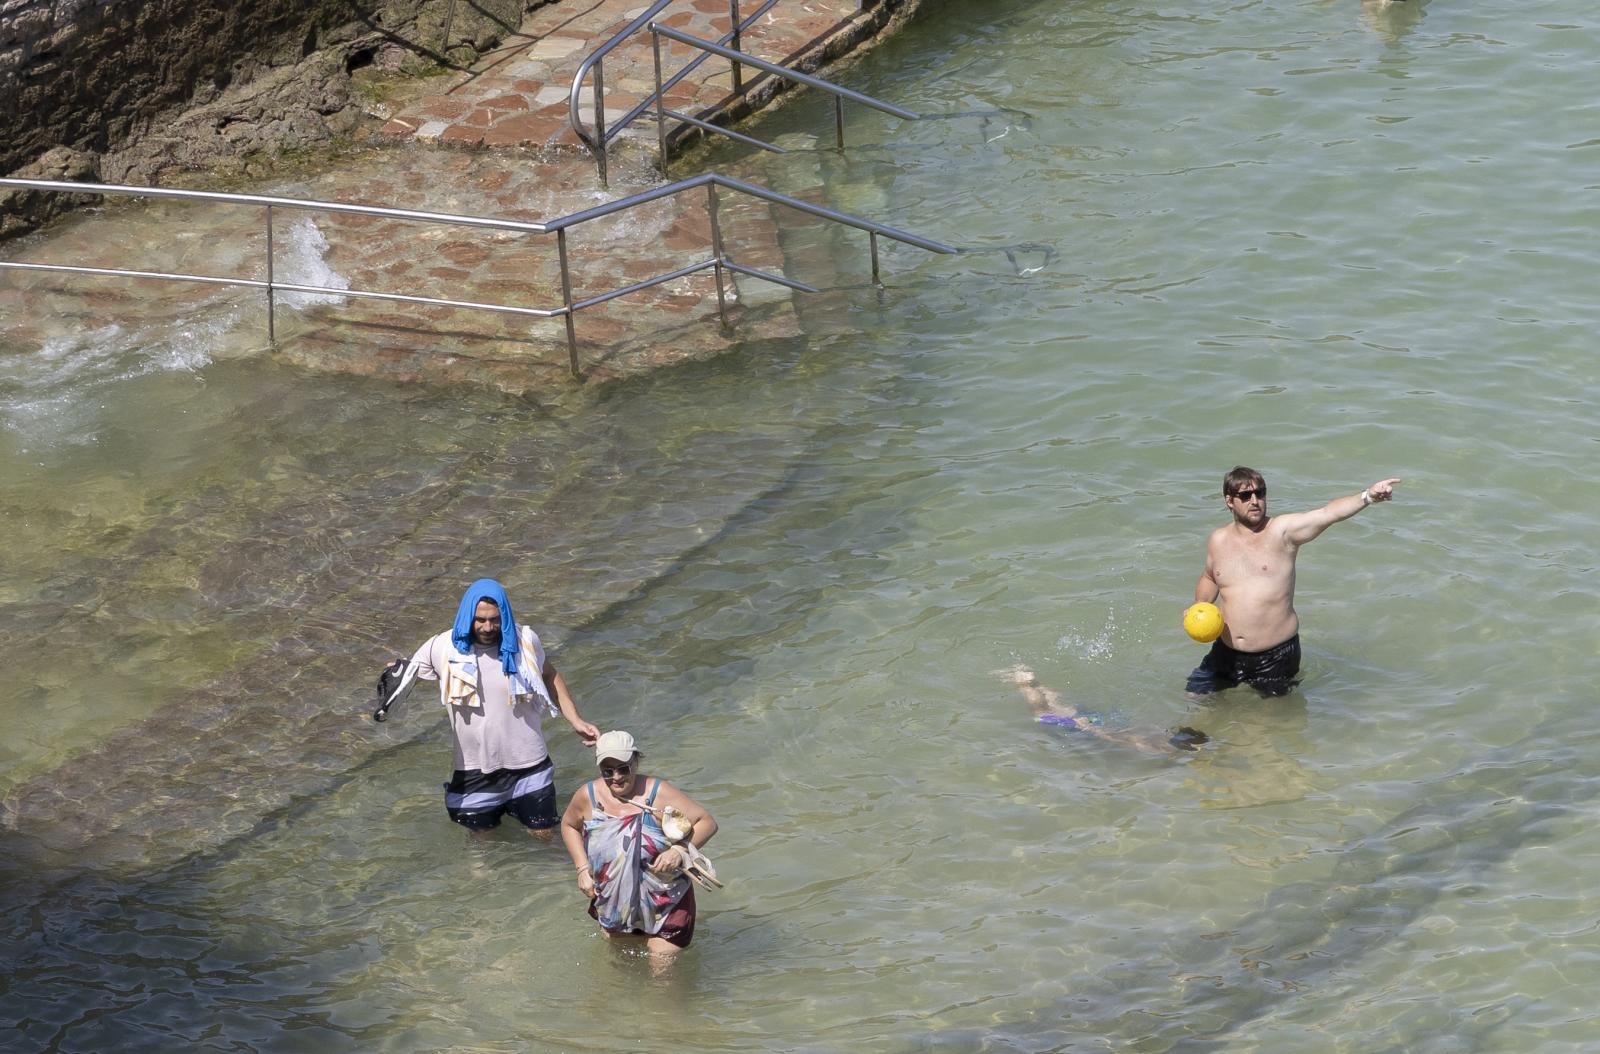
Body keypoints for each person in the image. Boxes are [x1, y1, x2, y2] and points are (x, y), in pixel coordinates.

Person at [400, 578, 598, 839]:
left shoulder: (525, 641)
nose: (488, 627)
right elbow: (404, 678)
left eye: (495, 619)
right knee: (483, 849)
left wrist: (576, 720)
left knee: (544, 838)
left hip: (529, 764)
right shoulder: (441, 647)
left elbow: (549, 675)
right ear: (467, 615)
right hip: (473, 769)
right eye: (480, 619)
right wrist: (390, 682)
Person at [1188, 467, 1400, 696]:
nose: (1255, 501)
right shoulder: (1218, 539)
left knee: (1270, 717)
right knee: (1193, 698)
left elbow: (1328, 513)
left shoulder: (1282, 532)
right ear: (1229, 501)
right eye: (1246, 496)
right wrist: (1200, 605)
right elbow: (1210, 576)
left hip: (1275, 657)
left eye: (1260, 493)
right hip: (1226, 653)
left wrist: (1368, 496)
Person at [560, 730, 717, 969]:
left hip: (666, 900)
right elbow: (569, 825)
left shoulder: (658, 793)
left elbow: (706, 822)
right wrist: (582, 869)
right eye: (607, 771)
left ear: (636, 761)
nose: (616, 777)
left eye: (623, 769)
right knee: (621, 969)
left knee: (661, 971)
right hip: (615, 901)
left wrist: (679, 850)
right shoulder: (587, 796)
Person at [1001, 665, 1207, 755]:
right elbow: (1116, 738)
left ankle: (1034, 684)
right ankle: (1025, 685)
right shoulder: (1158, 749)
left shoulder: (1162, 731)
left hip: (1108, 719)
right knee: (1042, 716)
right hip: (1096, 727)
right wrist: (1089, 729)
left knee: (1061, 708)